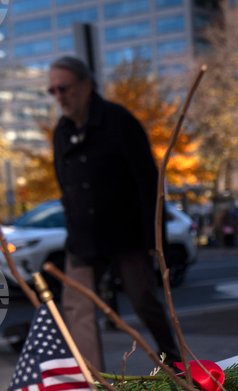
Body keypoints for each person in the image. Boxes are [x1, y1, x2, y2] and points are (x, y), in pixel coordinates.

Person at [47, 56, 180, 369]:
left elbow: (150, 183)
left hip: (125, 234)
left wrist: (154, 238)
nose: (59, 97)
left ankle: (173, 362)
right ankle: (96, 386)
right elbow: (64, 186)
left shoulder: (118, 121)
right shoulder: (61, 132)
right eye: (51, 91)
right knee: (77, 307)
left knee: (143, 301)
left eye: (63, 88)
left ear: (86, 84)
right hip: (83, 238)